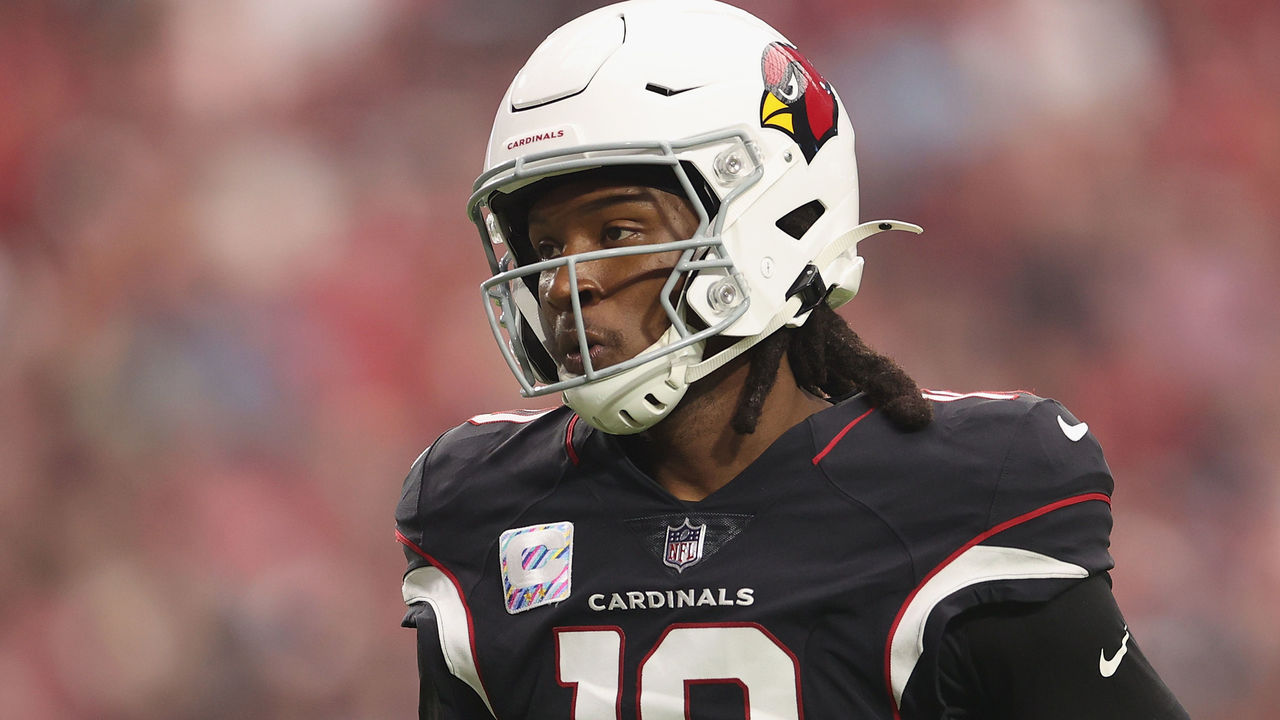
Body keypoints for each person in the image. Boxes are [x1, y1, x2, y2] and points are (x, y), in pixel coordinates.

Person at [395, 1, 1189, 717]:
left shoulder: (964, 496)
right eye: (546, 247)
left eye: (618, 234)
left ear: (773, 214)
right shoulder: (483, 508)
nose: (574, 283)